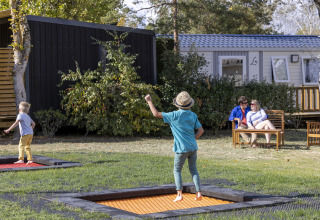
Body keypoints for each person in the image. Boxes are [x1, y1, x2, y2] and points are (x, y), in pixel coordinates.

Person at [145, 91, 204, 202]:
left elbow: (156, 114)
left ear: (177, 104)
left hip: (181, 149)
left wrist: (149, 101)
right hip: (193, 148)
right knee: (194, 170)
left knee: (177, 170)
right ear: (190, 104)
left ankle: (179, 194)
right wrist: (193, 139)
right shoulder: (193, 115)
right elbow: (201, 130)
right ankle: (199, 192)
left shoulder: (173, 115)